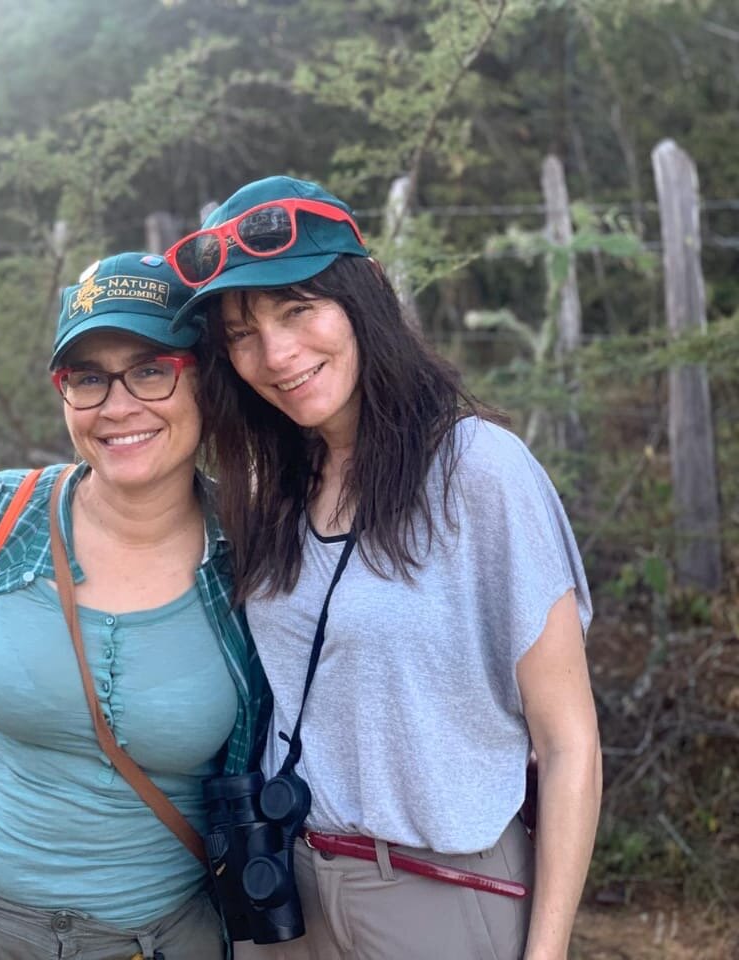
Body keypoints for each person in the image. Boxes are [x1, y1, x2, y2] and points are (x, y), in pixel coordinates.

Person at [161, 175, 602, 960]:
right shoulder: (276, 484)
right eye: (242, 333)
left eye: (299, 310)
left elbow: (569, 742)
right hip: (288, 894)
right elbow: (140, 500)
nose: (278, 354)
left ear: (363, 300)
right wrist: (15, 505)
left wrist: (548, 953)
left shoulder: (479, 471)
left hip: (442, 895)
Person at [0, 251, 270, 960]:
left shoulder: (255, 554)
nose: (119, 405)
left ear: (203, 379)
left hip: (156, 938)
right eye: (88, 378)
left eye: (151, 369)